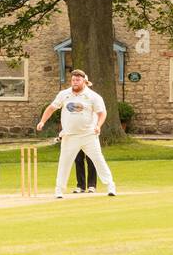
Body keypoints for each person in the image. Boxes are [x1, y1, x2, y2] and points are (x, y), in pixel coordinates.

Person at [36, 69, 117, 198]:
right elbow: (51, 108)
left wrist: (98, 126)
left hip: (88, 135)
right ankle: (59, 190)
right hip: (70, 136)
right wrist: (42, 121)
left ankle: (110, 186)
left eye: (78, 80)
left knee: (98, 160)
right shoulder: (64, 94)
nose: (75, 82)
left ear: (84, 81)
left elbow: (102, 113)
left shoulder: (93, 96)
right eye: (73, 80)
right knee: (64, 163)